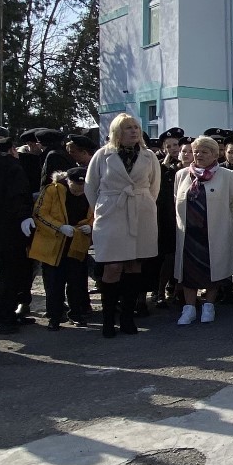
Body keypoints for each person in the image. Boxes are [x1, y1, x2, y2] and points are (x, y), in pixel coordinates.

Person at [86, 113, 162, 338]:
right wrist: (105, 208)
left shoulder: (149, 156)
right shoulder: (103, 155)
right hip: (112, 213)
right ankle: (108, 318)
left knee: (133, 265)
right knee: (112, 266)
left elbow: (154, 187)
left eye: (136, 127)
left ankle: (128, 317)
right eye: (128, 128)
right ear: (117, 132)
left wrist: (144, 204)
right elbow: (91, 188)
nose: (134, 131)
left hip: (141, 213)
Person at [173, 136, 233, 325]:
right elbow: (176, 201)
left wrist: (221, 223)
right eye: (196, 151)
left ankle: (208, 306)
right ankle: (189, 309)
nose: (198, 154)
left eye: (204, 151)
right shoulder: (181, 175)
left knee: (213, 270)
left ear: (214, 155)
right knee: (188, 272)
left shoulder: (227, 175)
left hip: (213, 233)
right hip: (188, 235)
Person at [0, 137, 35, 334]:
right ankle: (0, 316)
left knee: (7, 273)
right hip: (14, 229)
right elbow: (18, 194)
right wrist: (24, 216)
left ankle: (6, 314)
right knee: (12, 274)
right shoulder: (12, 167)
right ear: (11, 150)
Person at [27, 167, 93, 329]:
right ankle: (54, 316)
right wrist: (60, 227)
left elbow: (95, 214)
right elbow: (40, 214)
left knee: (77, 281)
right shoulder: (52, 190)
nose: (79, 191)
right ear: (68, 182)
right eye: (76, 188)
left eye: (82, 188)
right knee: (54, 283)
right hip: (53, 244)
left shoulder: (90, 192)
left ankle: (76, 313)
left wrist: (90, 226)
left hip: (76, 243)